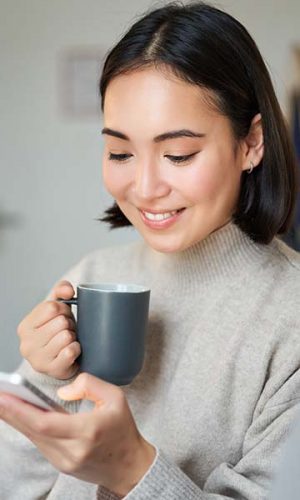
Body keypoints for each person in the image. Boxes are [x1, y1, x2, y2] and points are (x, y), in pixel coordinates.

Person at [0, 1, 299, 499]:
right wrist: (46, 386)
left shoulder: (288, 319)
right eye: (120, 152)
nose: (143, 187)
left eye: (178, 155)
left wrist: (132, 472)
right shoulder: (91, 274)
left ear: (251, 142)